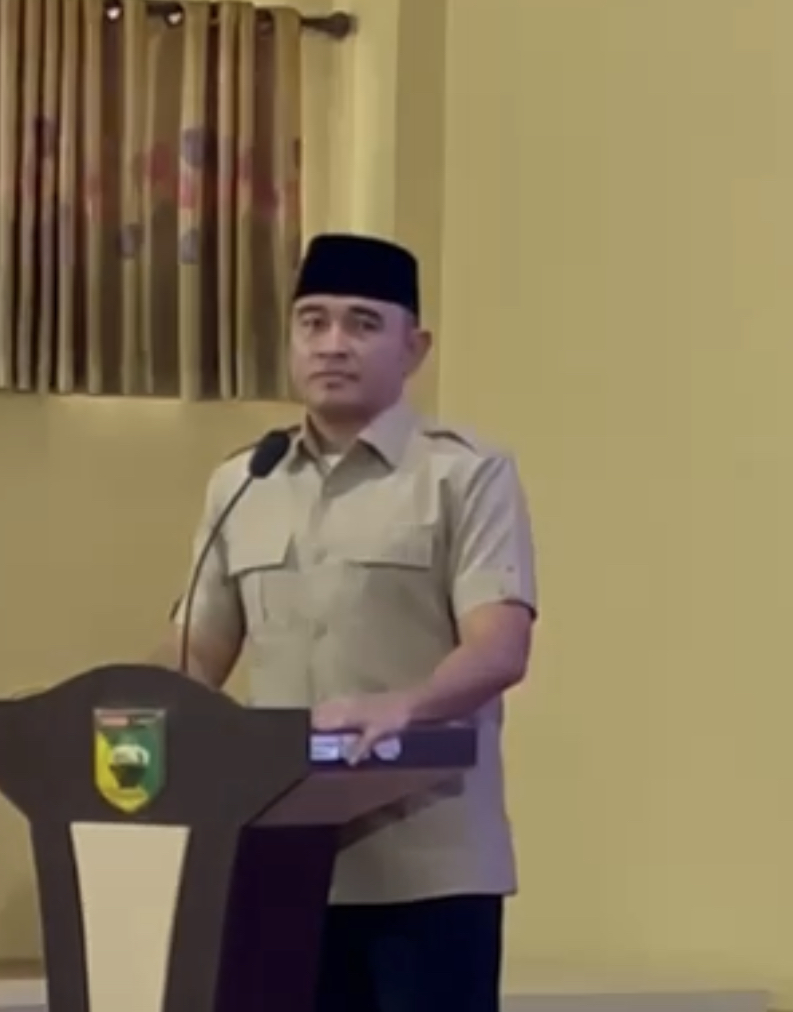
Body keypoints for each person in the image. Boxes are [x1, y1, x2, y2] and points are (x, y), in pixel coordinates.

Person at [165, 232, 538, 1012]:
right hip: (273, 862)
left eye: (363, 323)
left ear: (414, 347)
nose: (332, 343)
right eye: (313, 321)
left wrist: (403, 705)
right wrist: (146, 709)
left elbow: (499, 646)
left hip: (426, 872)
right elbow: (198, 650)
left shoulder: (464, 473)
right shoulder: (244, 480)